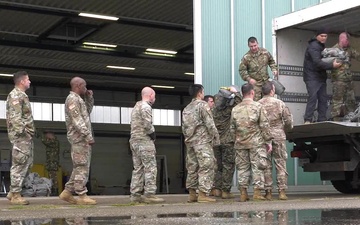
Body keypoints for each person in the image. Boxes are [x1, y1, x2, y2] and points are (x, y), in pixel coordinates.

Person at [230, 83, 273, 202]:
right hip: (256, 143)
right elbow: (264, 126)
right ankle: (257, 192)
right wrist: (268, 142)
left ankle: (243, 193)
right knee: (257, 167)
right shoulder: (258, 107)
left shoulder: (235, 109)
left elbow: (232, 128)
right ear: (252, 93)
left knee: (242, 168)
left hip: (240, 143)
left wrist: (237, 140)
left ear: (243, 93)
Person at [59, 77, 96, 205]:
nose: (86, 88)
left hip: (81, 138)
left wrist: (89, 98)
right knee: (82, 166)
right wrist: (87, 136)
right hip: (79, 138)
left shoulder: (79, 99)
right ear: (78, 85)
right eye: (84, 86)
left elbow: (86, 112)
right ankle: (82, 195)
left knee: (79, 166)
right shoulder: (72, 99)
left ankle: (67, 191)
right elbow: (77, 120)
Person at [182, 84, 220, 203]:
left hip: (190, 142)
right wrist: (216, 137)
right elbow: (209, 123)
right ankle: (203, 193)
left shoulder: (187, 108)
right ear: (200, 93)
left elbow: (184, 127)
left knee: (192, 167)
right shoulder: (203, 105)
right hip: (202, 141)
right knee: (207, 165)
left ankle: (192, 194)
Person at [258, 81, 293, 200]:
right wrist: (286, 129)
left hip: (264, 138)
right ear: (272, 90)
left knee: (266, 165)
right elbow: (288, 121)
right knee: (280, 163)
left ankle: (268, 192)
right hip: (278, 136)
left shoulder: (257, 105)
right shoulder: (280, 103)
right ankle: (282, 191)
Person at [129, 87, 164, 204]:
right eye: (154, 96)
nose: (155, 98)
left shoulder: (136, 106)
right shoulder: (145, 106)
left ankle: (135, 194)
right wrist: (153, 134)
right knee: (150, 167)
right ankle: (149, 194)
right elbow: (147, 124)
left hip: (134, 140)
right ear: (150, 95)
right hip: (144, 140)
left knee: (138, 168)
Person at [6, 71, 35, 205]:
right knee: (19, 164)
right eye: (28, 80)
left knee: (25, 163)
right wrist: (24, 133)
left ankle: (13, 191)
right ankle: (16, 195)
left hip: (24, 137)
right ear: (22, 81)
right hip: (21, 137)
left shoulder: (21, 95)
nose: (29, 82)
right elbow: (15, 117)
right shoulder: (16, 95)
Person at [303, 29, 342, 124]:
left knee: (323, 99)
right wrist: (332, 66)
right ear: (317, 36)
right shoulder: (313, 46)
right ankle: (308, 120)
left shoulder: (320, 46)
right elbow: (317, 63)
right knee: (313, 97)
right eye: (322, 36)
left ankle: (322, 120)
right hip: (312, 77)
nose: (324, 38)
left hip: (320, 77)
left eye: (325, 36)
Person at [211, 85, 242, 199]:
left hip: (215, 142)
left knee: (218, 167)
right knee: (228, 166)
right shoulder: (229, 110)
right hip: (228, 141)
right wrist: (236, 92)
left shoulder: (212, 110)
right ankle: (225, 191)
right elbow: (239, 103)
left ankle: (217, 189)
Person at [329, 32, 360, 121]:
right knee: (337, 101)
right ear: (342, 39)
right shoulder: (333, 50)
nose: (348, 42)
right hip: (338, 80)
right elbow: (326, 62)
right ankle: (336, 119)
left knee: (351, 100)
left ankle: (352, 117)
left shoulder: (349, 49)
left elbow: (357, 55)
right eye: (347, 40)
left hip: (348, 79)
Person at [239, 36, 278, 101]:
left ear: (258, 44)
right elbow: (242, 70)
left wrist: (274, 69)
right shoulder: (246, 58)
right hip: (255, 85)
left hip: (266, 83)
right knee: (256, 103)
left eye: (255, 45)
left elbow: (271, 61)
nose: (253, 48)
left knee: (269, 101)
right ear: (248, 46)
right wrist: (249, 79)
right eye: (251, 46)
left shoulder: (265, 52)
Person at [40, 131, 60, 196]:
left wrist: (42, 135)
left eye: (48, 135)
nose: (47, 136)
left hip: (53, 162)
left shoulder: (54, 141)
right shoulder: (53, 141)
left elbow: (44, 141)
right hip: (51, 162)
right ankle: (53, 190)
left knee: (53, 177)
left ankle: (55, 190)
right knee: (51, 177)